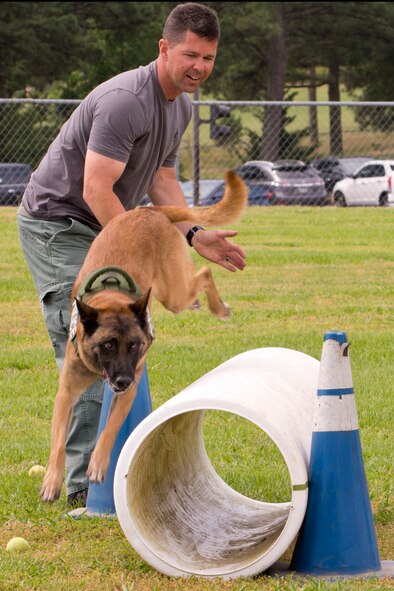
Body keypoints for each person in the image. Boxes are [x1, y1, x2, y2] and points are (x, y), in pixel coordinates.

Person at [17, 2, 246, 506]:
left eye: (208, 58)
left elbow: (162, 179)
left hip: (113, 222)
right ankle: (79, 488)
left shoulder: (180, 104)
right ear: (164, 48)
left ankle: (114, 473)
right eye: (190, 55)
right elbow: (98, 189)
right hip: (61, 223)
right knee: (89, 345)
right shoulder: (126, 100)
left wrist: (189, 236)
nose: (199, 68)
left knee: (128, 338)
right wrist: (142, 245)